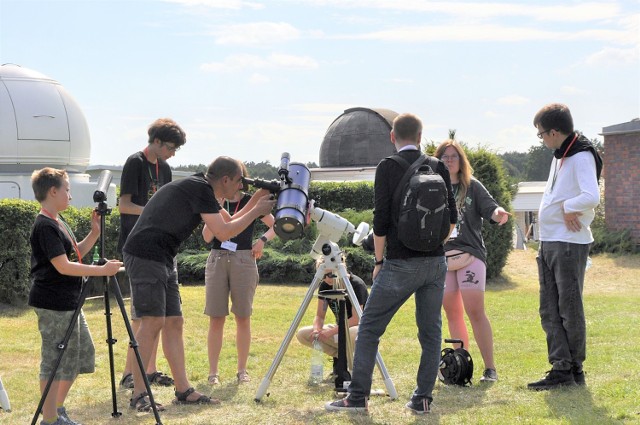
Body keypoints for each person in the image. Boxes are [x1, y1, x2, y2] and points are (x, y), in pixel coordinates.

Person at [325, 113, 457, 414]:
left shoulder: (387, 166)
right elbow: (452, 219)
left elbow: (381, 221)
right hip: (436, 262)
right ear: (421, 137)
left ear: (392, 137)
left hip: (399, 263)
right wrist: (435, 243)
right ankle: (422, 399)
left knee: (370, 328)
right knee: (431, 332)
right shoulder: (437, 166)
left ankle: (357, 397)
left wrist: (379, 260)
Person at [122, 156, 275, 411]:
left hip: (163, 256)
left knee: (174, 321)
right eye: (239, 182)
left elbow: (229, 221)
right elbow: (224, 232)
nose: (241, 187)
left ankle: (183, 390)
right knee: (152, 322)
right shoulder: (201, 190)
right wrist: (258, 209)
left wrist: (258, 198)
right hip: (146, 254)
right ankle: (139, 395)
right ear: (225, 180)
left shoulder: (201, 188)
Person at [29, 168, 123, 425]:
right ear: (53, 191)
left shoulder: (57, 221)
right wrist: (101, 270)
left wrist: (94, 233)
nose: (70, 196)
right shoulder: (45, 225)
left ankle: (57, 410)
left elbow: (75, 256)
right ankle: (50, 419)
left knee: (81, 354)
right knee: (54, 360)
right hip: (53, 303)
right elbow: (63, 267)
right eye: (67, 190)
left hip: (69, 301)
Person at [527, 103, 602, 390]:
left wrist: (570, 208)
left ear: (554, 132)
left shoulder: (581, 154)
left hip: (568, 243)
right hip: (550, 241)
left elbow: (591, 196)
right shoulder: (560, 155)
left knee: (568, 307)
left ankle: (573, 368)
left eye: (542, 134)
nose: (542, 139)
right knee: (548, 309)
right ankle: (560, 367)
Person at [434, 139, 511, 383]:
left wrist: (498, 214)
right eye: (444, 157)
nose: (449, 160)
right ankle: (459, 366)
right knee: (452, 312)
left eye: (453, 156)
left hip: (470, 256)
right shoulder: (433, 187)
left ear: (461, 160)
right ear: (438, 160)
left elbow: (491, 207)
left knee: (475, 311)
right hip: (444, 257)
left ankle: (490, 368)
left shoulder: (473, 186)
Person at [118, 117, 186, 390]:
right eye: (170, 147)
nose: (172, 153)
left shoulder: (166, 168)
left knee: (156, 314)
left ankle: (150, 369)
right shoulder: (135, 162)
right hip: (138, 248)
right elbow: (124, 206)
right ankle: (129, 374)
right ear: (156, 141)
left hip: (161, 249)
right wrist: (153, 212)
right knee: (142, 317)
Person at [203, 164, 277, 385]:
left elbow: (276, 225)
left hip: (244, 259)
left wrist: (261, 241)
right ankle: (213, 372)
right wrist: (217, 210)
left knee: (243, 317)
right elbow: (208, 237)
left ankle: (242, 371)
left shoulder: (251, 202)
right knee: (216, 318)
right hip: (217, 258)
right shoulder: (214, 201)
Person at [296, 257, 368, 377]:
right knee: (303, 334)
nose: (327, 279)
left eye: (329, 274)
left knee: (352, 333)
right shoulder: (324, 286)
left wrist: (329, 333)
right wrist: (317, 330)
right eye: (323, 276)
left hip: (358, 329)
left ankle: (349, 362)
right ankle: (341, 359)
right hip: (339, 330)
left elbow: (356, 319)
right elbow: (320, 315)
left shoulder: (356, 284)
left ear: (341, 268)